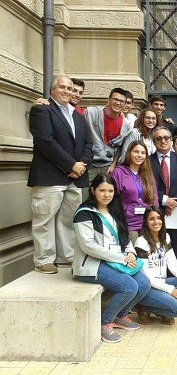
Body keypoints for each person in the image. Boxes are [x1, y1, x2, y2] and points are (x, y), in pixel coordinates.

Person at [73, 174, 151, 343]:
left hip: (117, 261)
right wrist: (122, 258)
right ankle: (105, 322)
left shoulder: (114, 211)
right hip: (93, 264)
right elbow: (89, 246)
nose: (106, 194)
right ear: (93, 191)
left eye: (110, 191)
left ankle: (120, 315)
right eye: (102, 190)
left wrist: (131, 253)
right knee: (129, 286)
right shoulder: (84, 214)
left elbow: (125, 238)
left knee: (144, 283)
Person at [28, 74, 93, 274]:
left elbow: (88, 144)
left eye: (70, 88)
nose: (67, 91)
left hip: (74, 179)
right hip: (50, 177)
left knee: (67, 220)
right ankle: (44, 260)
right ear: (52, 90)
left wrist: (81, 165)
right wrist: (70, 165)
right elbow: (45, 142)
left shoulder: (78, 116)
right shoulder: (42, 110)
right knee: (44, 220)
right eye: (62, 87)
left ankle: (66, 257)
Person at [134, 206, 177, 324]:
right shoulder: (141, 242)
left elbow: (172, 262)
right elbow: (146, 276)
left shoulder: (165, 237)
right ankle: (142, 307)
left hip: (163, 282)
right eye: (151, 219)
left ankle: (162, 310)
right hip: (148, 287)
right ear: (146, 222)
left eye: (159, 218)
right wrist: (171, 290)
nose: (156, 222)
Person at [150, 126, 177, 259]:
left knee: (176, 245)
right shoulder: (147, 161)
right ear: (154, 141)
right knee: (156, 243)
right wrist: (164, 200)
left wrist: (173, 201)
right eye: (159, 138)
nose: (163, 141)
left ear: (170, 140)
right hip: (156, 208)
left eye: (166, 137)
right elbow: (148, 184)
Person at [110, 141, 158, 242]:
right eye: (136, 152)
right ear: (129, 153)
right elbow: (113, 200)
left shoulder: (147, 174)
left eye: (143, 153)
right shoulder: (118, 173)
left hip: (146, 223)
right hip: (127, 223)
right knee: (133, 254)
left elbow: (154, 199)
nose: (139, 155)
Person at [84, 88, 134, 181]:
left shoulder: (127, 127)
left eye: (122, 101)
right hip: (87, 164)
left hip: (107, 167)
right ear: (108, 100)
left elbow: (120, 148)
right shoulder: (91, 113)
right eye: (115, 99)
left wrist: (113, 164)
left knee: (106, 195)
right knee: (84, 195)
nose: (118, 103)